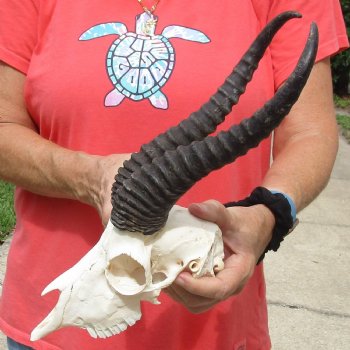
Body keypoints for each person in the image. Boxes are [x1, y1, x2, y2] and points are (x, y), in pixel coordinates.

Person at [0, 0, 348, 349]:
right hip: (57, 324)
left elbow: (310, 132)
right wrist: (92, 177)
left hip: (217, 330)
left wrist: (268, 213)